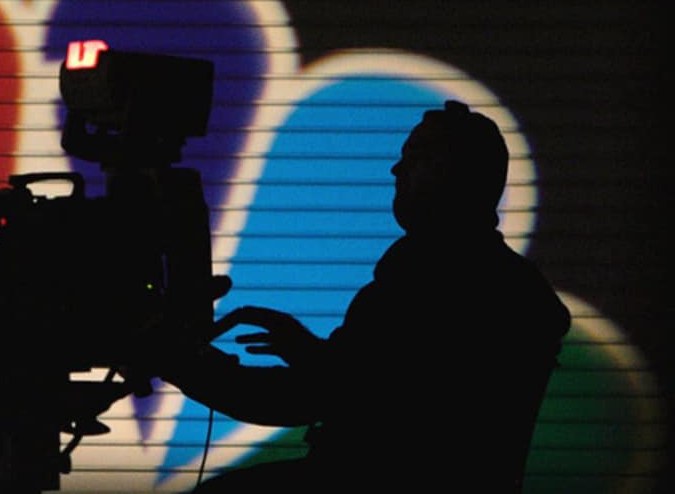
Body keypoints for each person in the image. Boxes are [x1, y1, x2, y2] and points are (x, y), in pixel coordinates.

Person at [161, 101, 571, 492]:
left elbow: (312, 397)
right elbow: (380, 382)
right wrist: (309, 352)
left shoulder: (426, 280)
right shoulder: (512, 284)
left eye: (413, 157)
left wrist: (177, 360)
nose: (396, 169)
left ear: (448, 171)